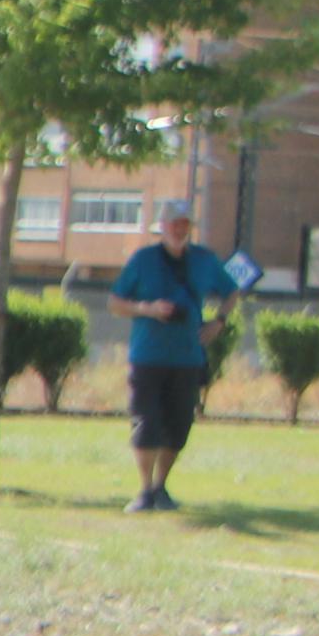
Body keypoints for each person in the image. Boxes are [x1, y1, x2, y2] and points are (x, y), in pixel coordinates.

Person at [112, 198, 239, 513]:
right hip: (148, 356)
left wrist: (218, 321)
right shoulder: (143, 260)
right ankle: (143, 491)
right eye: (174, 223)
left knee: (179, 424)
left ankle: (161, 487)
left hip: (187, 358)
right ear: (163, 226)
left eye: (185, 224)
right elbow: (115, 303)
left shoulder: (204, 260)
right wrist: (149, 309)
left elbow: (232, 290)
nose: (180, 229)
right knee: (146, 422)